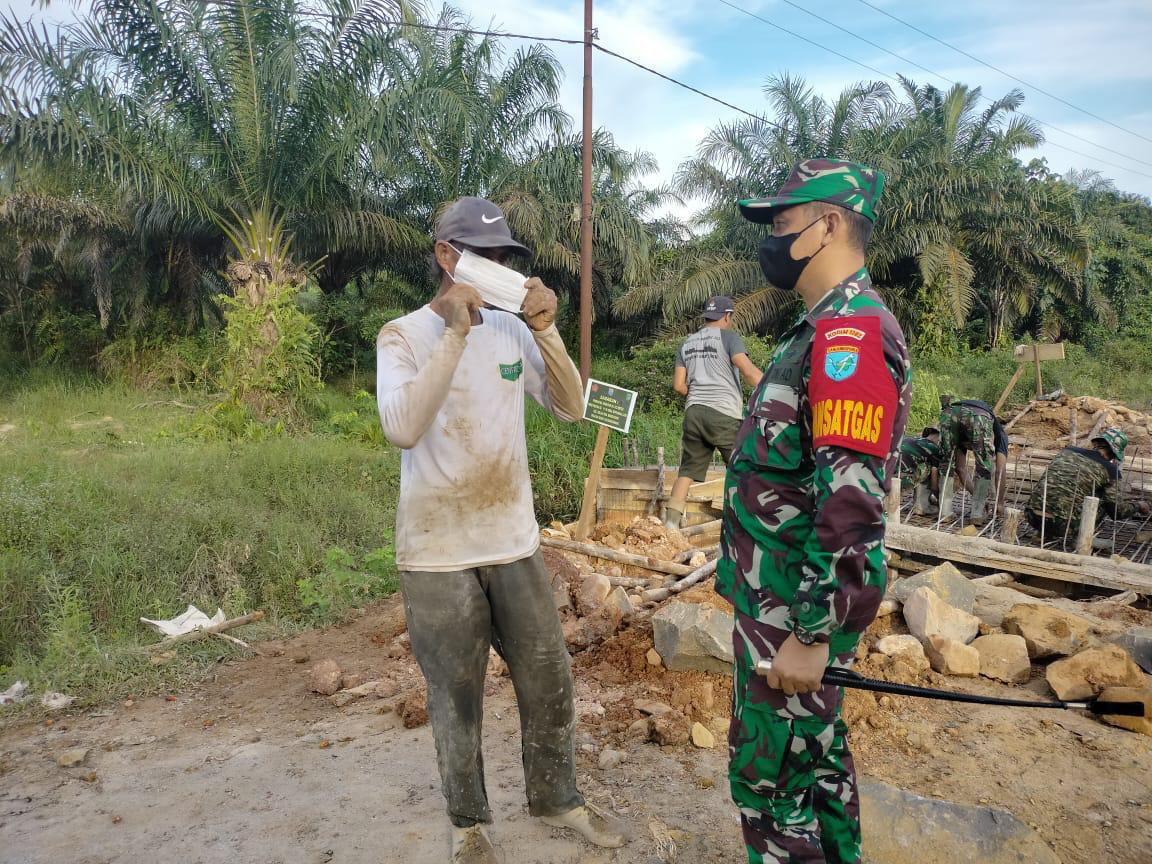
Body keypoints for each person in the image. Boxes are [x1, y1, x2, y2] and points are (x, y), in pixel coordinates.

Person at [375, 197, 626, 864]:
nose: (496, 269)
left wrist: (545, 328)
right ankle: (469, 824)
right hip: (437, 553)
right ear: (445, 257)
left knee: (548, 680)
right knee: (455, 697)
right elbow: (401, 427)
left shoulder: (515, 332)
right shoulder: (401, 335)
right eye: (482, 258)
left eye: (506, 260)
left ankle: (557, 799)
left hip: (514, 543)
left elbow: (572, 408)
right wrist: (455, 333)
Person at [718, 159, 911, 863]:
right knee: (816, 774)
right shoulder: (822, 329)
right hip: (781, 609)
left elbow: (852, 505)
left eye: (780, 222)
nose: (770, 238)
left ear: (828, 224)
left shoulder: (850, 335)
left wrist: (813, 632)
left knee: (773, 787)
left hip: (791, 620)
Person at [665, 295, 763, 530]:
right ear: (727, 316)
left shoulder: (687, 343)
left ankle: (669, 526)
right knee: (742, 468)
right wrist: (771, 387)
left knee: (687, 471)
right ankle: (749, 524)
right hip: (723, 413)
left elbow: (679, 386)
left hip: (694, 412)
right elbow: (748, 371)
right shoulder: (729, 337)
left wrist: (699, 395)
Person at [1024, 427, 1148, 542]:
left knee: (1063, 491)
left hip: (1031, 516)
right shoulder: (1110, 469)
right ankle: (1081, 538)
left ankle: (1042, 533)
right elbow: (1117, 512)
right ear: (1113, 453)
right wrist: (1137, 506)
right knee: (1105, 499)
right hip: (1063, 525)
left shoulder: (1067, 451)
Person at [936, 396, 1007, 522]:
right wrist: (1000, 503)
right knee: (984, 467)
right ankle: (977, 514)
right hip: (977, 416)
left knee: (946, 464)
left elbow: (960, 468)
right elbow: (1000, 471)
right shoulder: (1001, 435)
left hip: (949, 413)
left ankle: (945, 511)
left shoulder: (963, 437)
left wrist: (975, 495)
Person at [900, 426, 942, 515]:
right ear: (939, 437)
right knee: (928, 467)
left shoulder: (909, 440)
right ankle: (922, 506)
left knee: (917, 466)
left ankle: (922, 502)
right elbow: (934, 484)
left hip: (889, 478)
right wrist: (939, 499)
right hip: (904, 482)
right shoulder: (934, 448)